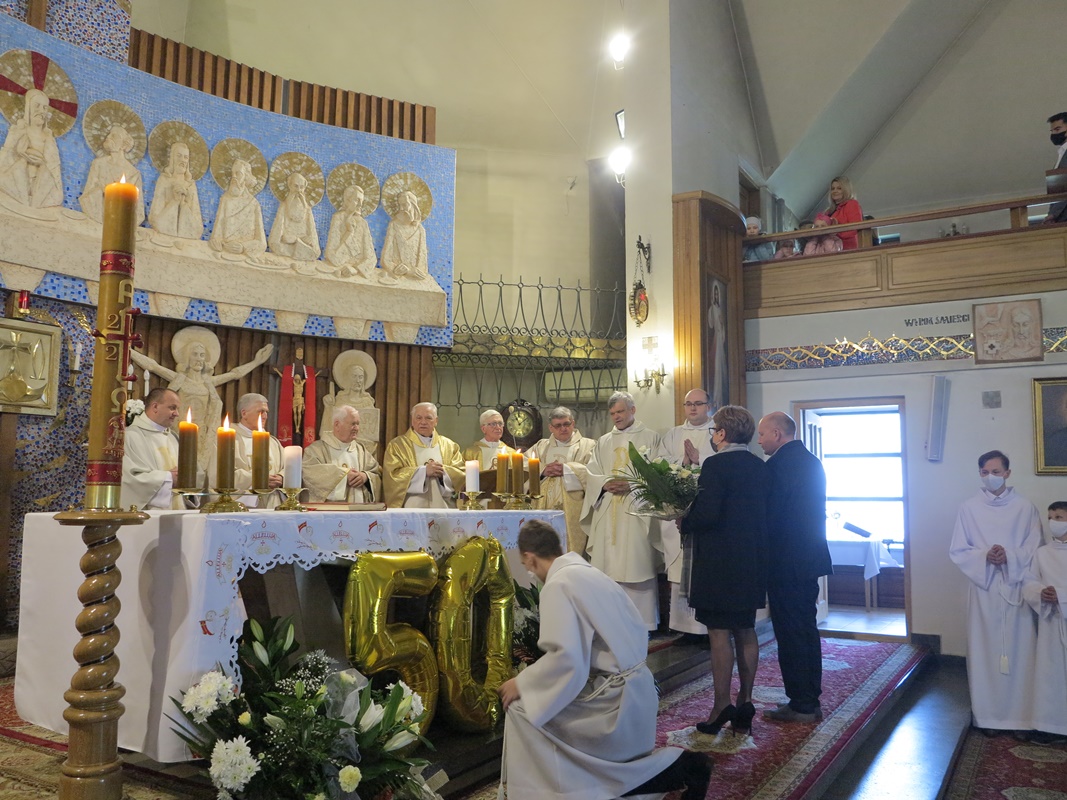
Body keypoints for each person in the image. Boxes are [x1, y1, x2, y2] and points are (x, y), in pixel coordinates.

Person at [497, 519, 711, 800]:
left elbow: (567, 659)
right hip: (638, 687)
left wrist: (522, 683)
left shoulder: (558, 585)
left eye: (525, 564)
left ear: (529, 557)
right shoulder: (588, 573)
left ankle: (680, 768)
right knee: (544, 714)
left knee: (521, 709)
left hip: (614, 700)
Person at [680, 405, 768, 737]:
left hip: (718, 561)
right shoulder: (760, 466)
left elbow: (708, 514)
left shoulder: (715, 465)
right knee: (745, 629)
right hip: (750, 560)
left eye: (713, 430)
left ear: (722, 433)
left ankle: (721, 706)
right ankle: (746, 702)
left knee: (718, 633)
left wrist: (684, 519)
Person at [949, 449, 1042, 736]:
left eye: (996, 471)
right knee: (985, 650)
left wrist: (1010, 556)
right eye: (985, 472)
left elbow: (1034, 547)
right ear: (980, 474)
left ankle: (1022, 718)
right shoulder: (968, 508)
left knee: (1021, 650)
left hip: (1016, 585)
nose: (991, 476)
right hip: (984, 587)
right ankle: (988, 717)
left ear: (1007, 473)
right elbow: (959, 549)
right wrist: (985, 556)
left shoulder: (1025, 508)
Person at [757, 411, 832, 723]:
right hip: (807, 558)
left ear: (777, 434)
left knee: (790, 633)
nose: (759, 441)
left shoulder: (777, 466)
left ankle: (801, 703)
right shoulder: (811, 461)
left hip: (786, 562)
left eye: (762, 434)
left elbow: (770, 516)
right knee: (805, 629)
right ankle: (809, 698)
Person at [130, 328, 273, 473]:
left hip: (203, 433)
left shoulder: (208, 382)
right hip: (180, 430)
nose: (199, 359)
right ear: (187, 357)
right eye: (195, 354)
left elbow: (234, 374)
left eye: (202, 355)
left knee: (201, 472)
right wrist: (128, 351)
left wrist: (256, 362)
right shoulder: (179, 379)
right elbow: (153, 366)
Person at [580, 391, 662, 630]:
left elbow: (659, 471)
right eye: (613, 413)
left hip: (637, 508)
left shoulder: (650, 437)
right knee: (607, 566)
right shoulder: (604, 441)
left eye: (621, 411)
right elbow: (592, 472)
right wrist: (604, 484)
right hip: (609, 508)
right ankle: (610, 622)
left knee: (638, 563)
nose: (616, 416)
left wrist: (633, 485)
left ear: (632, 410)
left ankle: (643, 623)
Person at [655, 389, 715, 644]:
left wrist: (699, 459)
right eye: (688, 403)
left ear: (709, 406)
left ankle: (705, 629)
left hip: (704, 508)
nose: (692, 408)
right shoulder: (674, 434)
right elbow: (660, 461)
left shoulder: (717, 432)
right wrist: (683, 460)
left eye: (698, 403)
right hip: (678, 508)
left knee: (702, 568)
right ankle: (683, 629)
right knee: (679, 569)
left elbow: (721, 462)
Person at [1022, 501, 1067, 744]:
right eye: (1050, 517)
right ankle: (1049, 726)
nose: (1053, 523)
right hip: (1051, 620)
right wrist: (1041, 593)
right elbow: (1029, 581)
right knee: (1050, 675)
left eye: (1059, 517)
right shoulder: (1042, 553)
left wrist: (1061, 595)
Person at [528, 406, 596, 555]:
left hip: (574, 507)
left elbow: (594, 472)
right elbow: (523, 466)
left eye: (566, 424)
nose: (563, 429)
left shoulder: (588, 445)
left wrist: (567, 469)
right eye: (558, 426)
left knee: (570, 550)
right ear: (550, 428)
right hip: (543, 506)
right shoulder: (541, 446)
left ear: (573, 423)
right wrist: (543, 470)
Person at [121, 388, 200, 510]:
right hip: (148, 515)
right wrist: (169, 478)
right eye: (172, 408)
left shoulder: (174, 438)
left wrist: (186, 480)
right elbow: (128, 479)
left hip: (178, 514)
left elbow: (195, 475)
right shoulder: (130, 436)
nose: (177, 414)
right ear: (155, 407)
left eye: (177, 409)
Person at [382, 402, 464, 508]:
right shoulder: (397, 445)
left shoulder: (449, 446)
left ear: (436, 421)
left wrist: (442, 473)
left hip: (443, 504)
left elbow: (460, 474)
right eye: (419, 418)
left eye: (428, 418)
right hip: (413, 505)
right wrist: (423, 472)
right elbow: (392, 477)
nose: (423, 422)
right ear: (412, 421)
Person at [302, 405, 381, 503]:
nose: (356, 428)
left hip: (359, 509)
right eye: (353, 424)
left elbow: (376, 473)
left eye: (358, 424)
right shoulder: (316, 450)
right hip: (330, 509)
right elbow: (309, 475)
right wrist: (343, 476)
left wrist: (365, 477)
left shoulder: (361, 450)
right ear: (337, 425)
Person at [0, 88, 63, 208]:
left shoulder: (48, 138)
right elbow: (4, 160)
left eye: (45, 108)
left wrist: (42, 164)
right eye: (37, 106)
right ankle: (24, 200)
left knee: (54, 189)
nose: (41, 111)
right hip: (17, 180)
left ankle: (34, 204)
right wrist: (20, 154)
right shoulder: (18, 130)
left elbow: (55, 169)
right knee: (20, 164)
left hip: (41, 185)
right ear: (28, 107)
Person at [220, 393, 285, 508]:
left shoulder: (273, 442)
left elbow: (287, 467)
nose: (265, 416)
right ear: (244, 413)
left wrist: (281, 477)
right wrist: (257, 479)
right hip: (242, 506)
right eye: (261, 411)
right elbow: (220, 474)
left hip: (273, 504)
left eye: (266, 412)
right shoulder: (227, 439)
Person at [79, 124, 145, 225]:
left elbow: (139, 212)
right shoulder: (98, 164)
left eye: (114, 135)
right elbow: (87, 196)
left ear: (123, 145)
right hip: (96, 218)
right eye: (109, 134)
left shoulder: (133, 174)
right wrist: (102, 191)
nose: (108, 137)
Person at [210, 158, 267, 256]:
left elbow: (261, 243)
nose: (234, 177)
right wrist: (215, 242)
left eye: (238, 174)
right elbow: (216, 235)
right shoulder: (225, 199)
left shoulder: (253, 204)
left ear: (246, 177)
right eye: (232, 174)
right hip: (223, 252)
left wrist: (243, 247)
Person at [149, 141, 203, 239]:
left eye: (186, 157)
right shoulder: (164, 180)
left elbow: (198, 229)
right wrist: (175, 201)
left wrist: (185, 203)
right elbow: (154, 219)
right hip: (162, 238)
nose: (183, 160)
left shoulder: (190, 185)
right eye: (179, 156)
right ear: (172, 158)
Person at [324, 184, 377, 277]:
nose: (360, 205)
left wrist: (356, 269)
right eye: (357, 200)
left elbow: (371, 258)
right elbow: (332, 256)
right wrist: (349, 232)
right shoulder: (338, 218)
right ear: (347, 200)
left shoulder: (363, 223)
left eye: (362, 201)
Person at [462, 409, 520, 493]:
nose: (498, 427)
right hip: (480, 498)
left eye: (500, 423)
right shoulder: (471, 453)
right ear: (483, 429)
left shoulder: (512, 453)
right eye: (493, 424)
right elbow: (462, 479)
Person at [269, 172, 321, 260]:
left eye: (302, 187)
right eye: (296, 186)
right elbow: (274, 239)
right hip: (285, 246)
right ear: (289, 185)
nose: (299, 190)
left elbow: (314, 240)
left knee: (313, 253)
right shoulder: (284, 207)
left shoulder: (307, 210)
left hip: (303, 246)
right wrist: (286, 239)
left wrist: (304, 240)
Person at [380, 190, 429, 283]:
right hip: (395, 277)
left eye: (405, 205)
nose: (401, 209)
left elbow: (423, 264)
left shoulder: (420, 230)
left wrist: (413, 271)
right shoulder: (394, 225)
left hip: (414, 280)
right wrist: (395, 268)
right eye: (400, 205)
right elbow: (385, 258)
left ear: (413, 205)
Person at [827, 176, 863, 250]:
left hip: (847, 248)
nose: (835, 191)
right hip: (830, 248)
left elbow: (855, 227)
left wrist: (836, 233)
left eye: (839, 188)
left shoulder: (851, 204)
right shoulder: (828, 211)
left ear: (846, 190)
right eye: (833, 188)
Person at [1046, 112, 1067, 223]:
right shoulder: (1062, 153)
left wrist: (1054, 214)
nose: (1054, 133)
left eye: (1057, 129)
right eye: (1052, 131)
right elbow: (1057, 188)